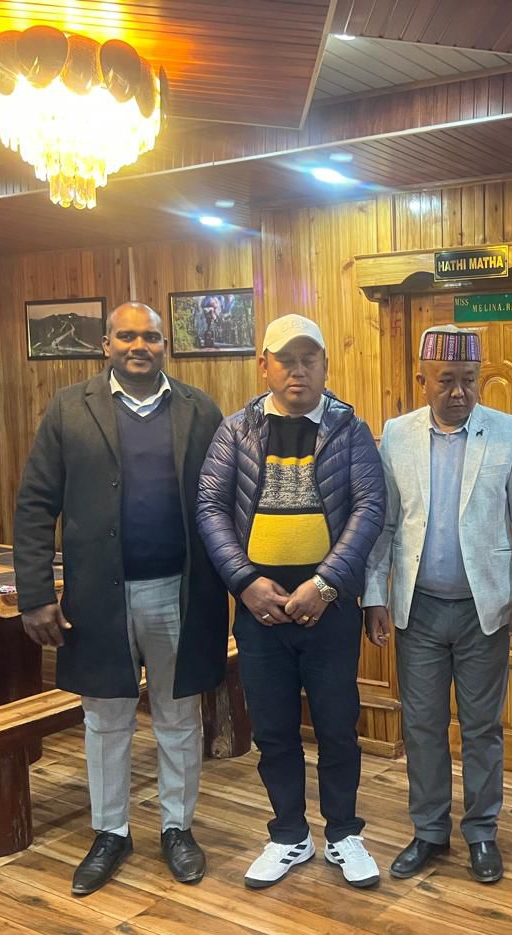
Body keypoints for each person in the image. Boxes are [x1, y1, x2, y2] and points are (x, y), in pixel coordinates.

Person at [14, 301, 227, 896]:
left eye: (151, 337)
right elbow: (35, 505)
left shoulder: (198, 409)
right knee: (105, 719)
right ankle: (111, 831)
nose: (140, 345)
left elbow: (225, 501)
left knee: (178, 716)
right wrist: (35, 594)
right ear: (105, 344)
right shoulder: (68, 409)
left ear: (166, 345)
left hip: (179, 593)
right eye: (127, 335)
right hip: (97, 598)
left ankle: (176, 828)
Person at [197, 313, 386, 890]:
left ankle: (343, 834)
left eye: (310, 359)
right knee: (274, 729)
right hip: (258, 609)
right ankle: (288, 836)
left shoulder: (350, 430)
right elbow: (209, 507)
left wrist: (325, 584)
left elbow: (369, 508)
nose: (298, 370)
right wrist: (245, 582)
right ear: (265, 365)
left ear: (325, 365)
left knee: (336, 726)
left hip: (329, 607)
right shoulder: (236, 431)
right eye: (286, 359)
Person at [363, 325, 512, 883]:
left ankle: (482, 832)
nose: (460, 392)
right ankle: (429, 831)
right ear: (423, 381)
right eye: (447, 381)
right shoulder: (396, 435)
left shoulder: (508, 434)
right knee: (420, 725)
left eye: (469, 381)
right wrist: (374, 596)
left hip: (483, 610)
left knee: (482, 727)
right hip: (417, 608)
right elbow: (384, 524)